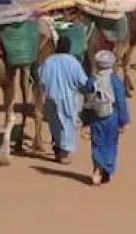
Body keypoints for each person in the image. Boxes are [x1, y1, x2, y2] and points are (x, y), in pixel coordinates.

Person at [36, 33, 94, 165]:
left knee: (55, 124)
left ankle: (58, 148)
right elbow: (82, 81)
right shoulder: (73, 62)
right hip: (67, 99)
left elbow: (41, 78)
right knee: (67, 124)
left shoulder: (48, 61)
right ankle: (64, 153)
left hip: (51, 98)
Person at [84, 49, 130, 186]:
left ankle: (97, 170)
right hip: (112, 117)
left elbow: (87, 102)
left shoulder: (91, 81)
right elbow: (121, 101)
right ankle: (106, 169)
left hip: (95, 118)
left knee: (97, 144)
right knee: (110, 144)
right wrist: (124, 121)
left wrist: (85, 122)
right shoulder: (115, 81)